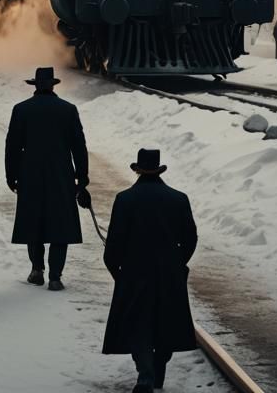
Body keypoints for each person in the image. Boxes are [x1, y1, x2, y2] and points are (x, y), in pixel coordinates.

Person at [102, 148, 198, 393]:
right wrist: (178, 263)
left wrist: (118, 271)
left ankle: (145, 375)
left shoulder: (125, 199)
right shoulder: (179, 199)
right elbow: (190, 238)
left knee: (139, 325)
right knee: (166, 322)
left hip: (134, 272)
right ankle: (157, 372)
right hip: (169, 272)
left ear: (137, 171)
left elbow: (114, 243)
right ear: (159, 170)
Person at [5, 66, 89, 291]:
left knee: (34, 222)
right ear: (53, 85)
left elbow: (12, 146)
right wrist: (82, 178)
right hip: (61, 175)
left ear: (35, 85)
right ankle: (55, 276)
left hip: (29, 174)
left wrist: (12, 176)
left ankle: (37, 270)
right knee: (60, 224)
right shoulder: (68, 110)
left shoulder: (21, 110)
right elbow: (79, 147)